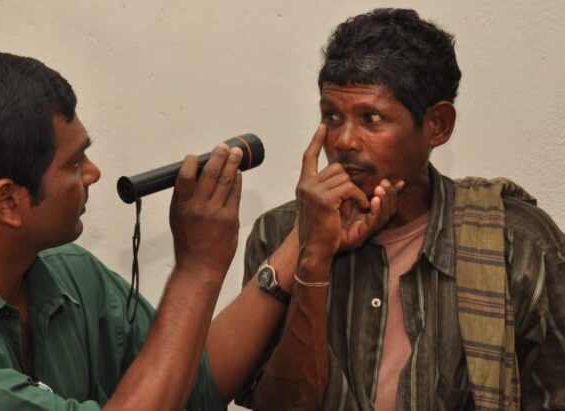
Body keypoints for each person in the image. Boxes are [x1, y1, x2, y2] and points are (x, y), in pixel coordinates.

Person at [0, 47, 282, 410]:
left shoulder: (68, 275)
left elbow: (193, 390)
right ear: (8, 201)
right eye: (73, 162)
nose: (93, 173)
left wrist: (304, 241)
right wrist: (197, 268)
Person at [236, 8, 565, 411]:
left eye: (370, 118)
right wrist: (313, 256)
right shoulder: (280, 235)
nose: (343, 140)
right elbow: (279, 404)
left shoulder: (517, 245)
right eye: (331, 116)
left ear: (437, 126)